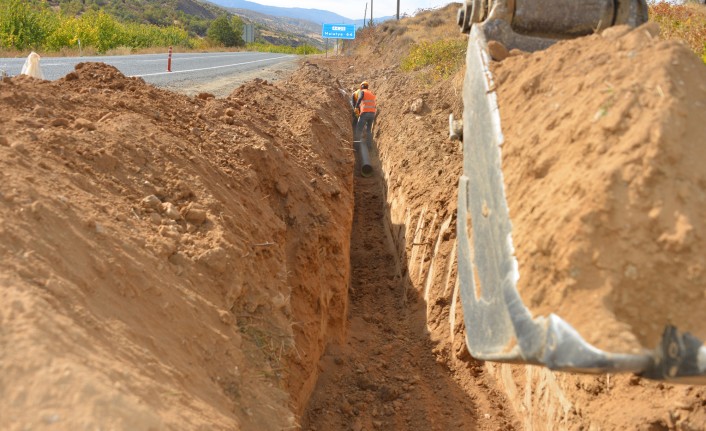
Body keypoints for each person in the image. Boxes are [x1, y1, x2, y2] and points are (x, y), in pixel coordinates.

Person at [354, 81, 377, 149]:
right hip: (372, 114)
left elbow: (360, 98)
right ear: (367, 87)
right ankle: (369, 146)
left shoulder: (362, 92)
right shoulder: (371, 93)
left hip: (365, 113)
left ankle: (356, 147)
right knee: (368, 130)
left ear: (361, 87)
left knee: (359, 129)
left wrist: (356, 107)